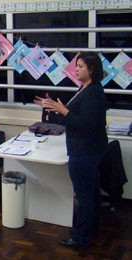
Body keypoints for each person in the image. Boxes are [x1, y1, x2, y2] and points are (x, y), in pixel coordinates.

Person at [35, 52, 108, 248]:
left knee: (84, 195)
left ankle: (80, 238)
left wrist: (64, 111)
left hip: (85, 151)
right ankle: (89, 230)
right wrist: (51, 107)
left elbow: (86, 125)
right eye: (76, 66)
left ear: (91, 69)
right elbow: (70, 119)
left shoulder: (93, 92)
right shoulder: (84, 89)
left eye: (81, 66)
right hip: (84, 149)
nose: (76, 70)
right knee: (90, 192)